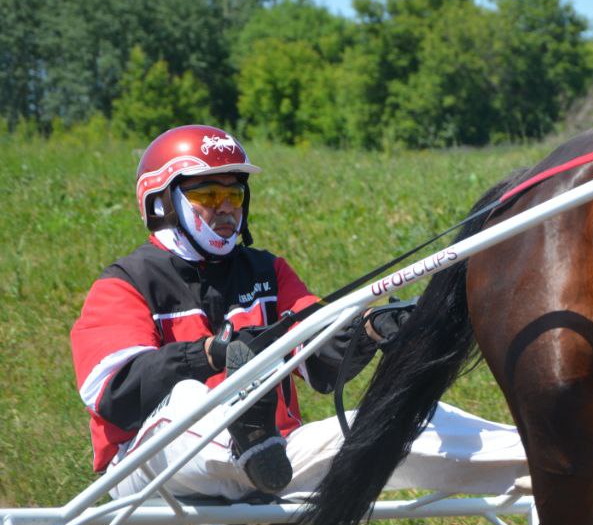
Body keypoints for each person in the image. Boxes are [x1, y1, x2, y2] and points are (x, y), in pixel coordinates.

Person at [70, 124, 526, 502]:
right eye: (208, 197)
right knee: (190, 399)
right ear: (161, 204)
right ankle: (247, 443)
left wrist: (369, 330)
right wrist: (210, 354)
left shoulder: (267, 270)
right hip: (152, 474)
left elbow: (321, 364)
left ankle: (556, 458)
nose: (225, 210)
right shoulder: (126, 282)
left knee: (418, 421)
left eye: (234, 196)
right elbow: (115, 394)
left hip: (278, 465)